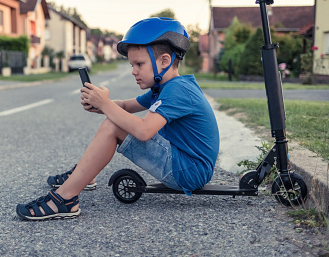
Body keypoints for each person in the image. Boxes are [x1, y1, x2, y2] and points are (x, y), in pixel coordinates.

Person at [16, 17, 220, 221]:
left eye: (139, 64)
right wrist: (100, 105)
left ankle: (64, 199)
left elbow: (143, 131)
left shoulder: (178, 90)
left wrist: (106, 105)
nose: (133, 71)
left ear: (164, 61)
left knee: (113, 127)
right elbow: (124, 106)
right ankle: (82, 176)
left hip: (189, 171)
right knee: (114, 121)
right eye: (132, 64)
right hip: (183, 163)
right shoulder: (165, 88)